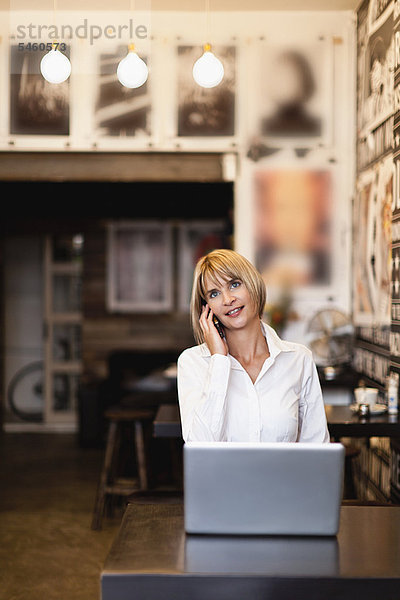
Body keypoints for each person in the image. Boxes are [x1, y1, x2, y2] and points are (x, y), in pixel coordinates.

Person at [177, 249, 330, 443]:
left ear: (253, 285)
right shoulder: (193, 363)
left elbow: (316, 447)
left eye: (234, 284)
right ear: (206, 309)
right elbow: (199, 445)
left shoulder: (298, 359)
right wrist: (219, 361)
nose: (227, 299)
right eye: (214, 293)